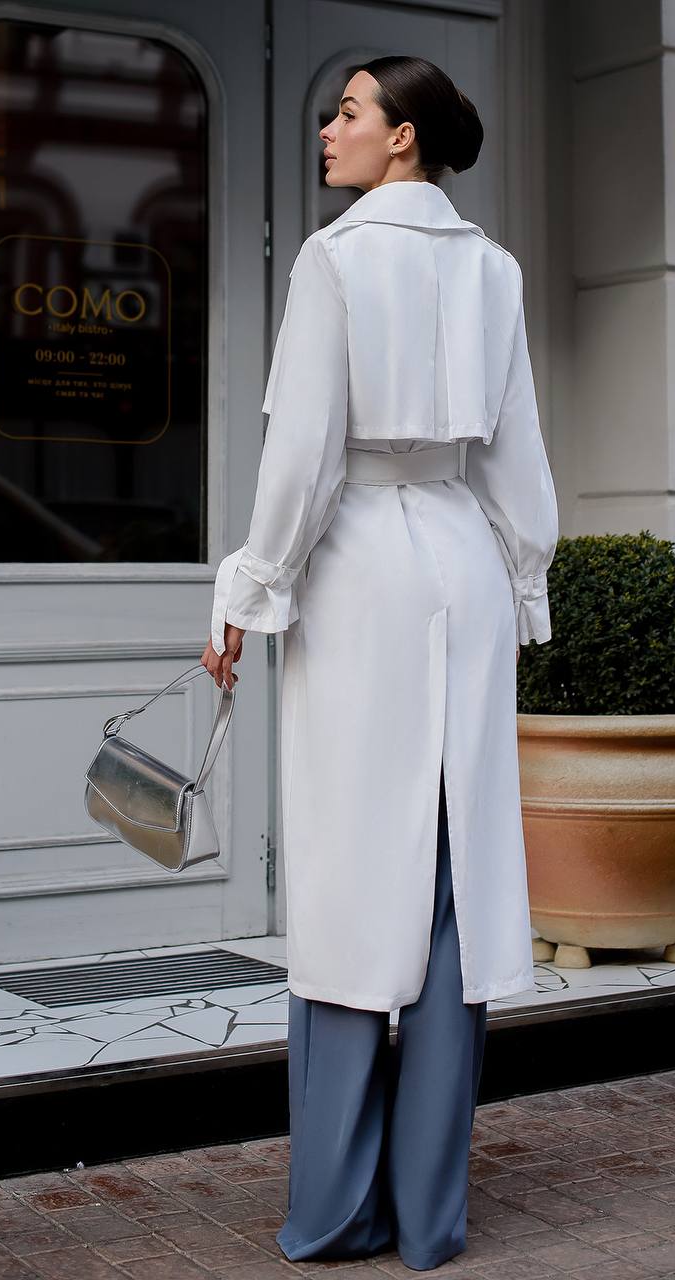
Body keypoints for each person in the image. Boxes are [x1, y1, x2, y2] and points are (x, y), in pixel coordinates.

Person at [202, 55, 558, 1272]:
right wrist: (523, 579)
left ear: (402, 139)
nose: (327, 127)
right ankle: (429, 1213)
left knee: (357, 873)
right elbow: (515, 451)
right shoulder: (493, 269)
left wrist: (249, 586)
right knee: (453, 856)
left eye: (347, 111)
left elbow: (302, 452)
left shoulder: (336, 258)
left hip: (357, 563)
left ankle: (337, 1206)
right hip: (458, 554)